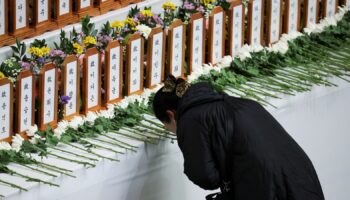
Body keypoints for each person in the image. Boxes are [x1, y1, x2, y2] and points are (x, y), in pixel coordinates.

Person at [152, 75, 325, 200]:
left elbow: (206, 177)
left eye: (166, 126)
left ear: (171, 115)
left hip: (266, 187)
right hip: (301, 178)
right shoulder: (235, 102)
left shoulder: (190, 119)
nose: (171, 130)